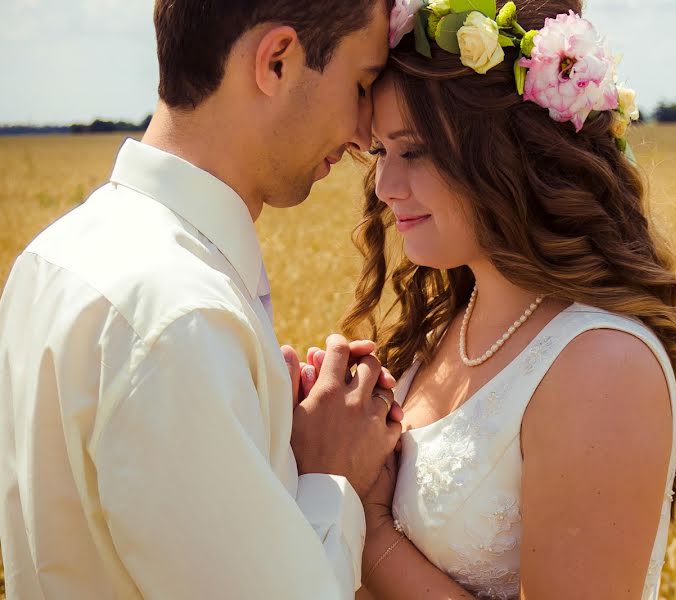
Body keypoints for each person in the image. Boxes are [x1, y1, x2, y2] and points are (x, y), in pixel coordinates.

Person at [337, 0, 676, 597]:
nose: (384, 185)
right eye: (379, 150)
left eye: (415, 150)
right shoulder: (444, 329)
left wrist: (368, 525)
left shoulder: (604, 364)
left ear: (510, 149)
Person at [0, 1, 402, 598]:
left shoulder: (51, 255)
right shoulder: (180, 321)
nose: (366, 133)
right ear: (277, 61)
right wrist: (330, 473)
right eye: (361, 84)